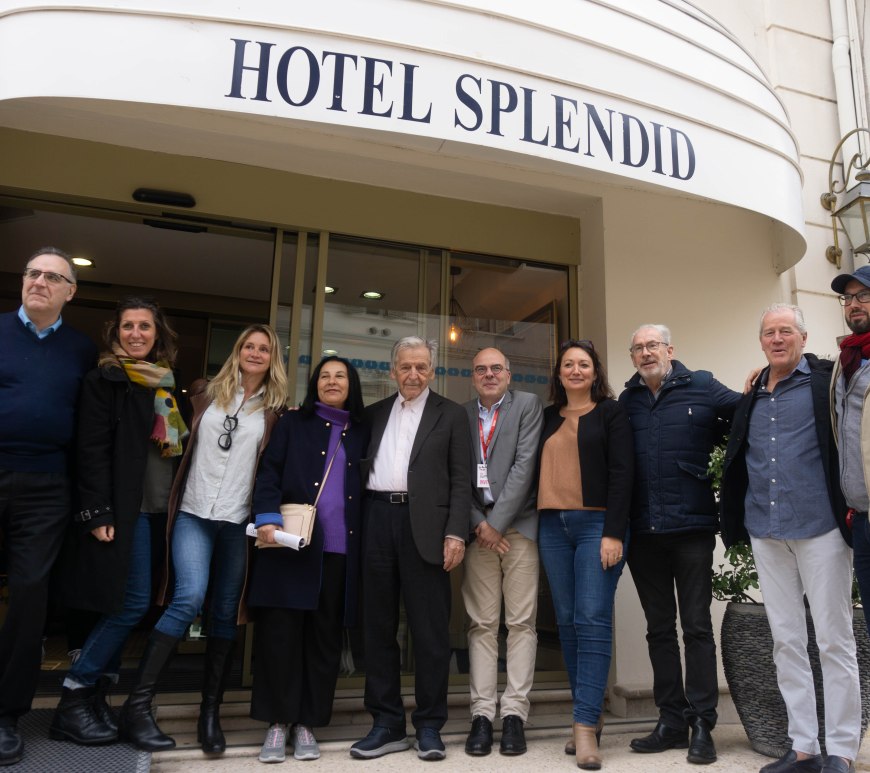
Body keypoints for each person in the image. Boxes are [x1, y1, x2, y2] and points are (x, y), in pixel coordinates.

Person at [720, 304, 860, 773]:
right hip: (766, 529)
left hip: (820, 527)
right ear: (761, 342)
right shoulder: (753, 393)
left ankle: (840, 749)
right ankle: (803, 745)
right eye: (769, 333)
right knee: (786, 641)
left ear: (803, 336)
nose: (777, 339)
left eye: (785, 331)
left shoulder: (825, 381)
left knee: (834, 640)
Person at [49, 296, 188, 751]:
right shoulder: (103, 380)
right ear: (115, 334)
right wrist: (97, 512)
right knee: (127, 606)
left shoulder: (164, 384)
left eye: (145, 327)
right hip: (121, 514)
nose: (136, 334)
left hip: (156, 510)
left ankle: (95, 701)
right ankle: (74, 694)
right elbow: (88, 452)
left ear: (157, 334)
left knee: (129, 604)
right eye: (128, 327)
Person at [141, 324, 286, 754]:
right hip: (193, 512)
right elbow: (169, 442)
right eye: (249, 346)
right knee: (189, 598)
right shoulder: (201, 393)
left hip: (237, 522)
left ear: (272, 357)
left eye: (264, 349)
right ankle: (139, 703)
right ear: (237, 351)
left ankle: (210, 714)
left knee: (225, 610)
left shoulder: (277, 411)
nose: (255, 353)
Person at [618, 324, 739, 765]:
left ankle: (702, 722)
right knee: (659, 629)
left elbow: (745, 416)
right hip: (644, 532)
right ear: (632, 356)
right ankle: (670, 719)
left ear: (670, 349)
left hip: (692, 530)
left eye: (653, 345)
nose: (646, 352)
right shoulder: (627, 401)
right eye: (638, 348)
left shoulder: (703, 386)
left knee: (696, 627)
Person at [350, 337, 472, 762]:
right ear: (393, 371)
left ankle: (429, 726)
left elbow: (462, 481)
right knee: (378, 628)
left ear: (432, 371)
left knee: (430, 631)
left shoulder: (452, 415)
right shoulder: (372, 414)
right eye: (406, 367)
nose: (414, 375)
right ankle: (385, 723)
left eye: (421, 367)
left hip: (428, 530)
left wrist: (456, 533)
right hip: (377, 521)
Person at [0, 248, 96, 766]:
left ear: (69, 292)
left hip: (47, 486)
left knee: (31, 595)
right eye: (32, 272)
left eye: (52, 277)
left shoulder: (80, 350)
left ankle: (6, 715)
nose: (39, 281)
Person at [248, 356, 369, 764]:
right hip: (291, 545)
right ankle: (277, 723)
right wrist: (266, 515)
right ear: (314, 384)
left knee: (323, 640)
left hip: (340, 553)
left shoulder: (363, 431)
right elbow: (268, 473)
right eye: (324, 376)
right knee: (280, 636)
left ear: (351, 385)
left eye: (340, 376)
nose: (332, 382)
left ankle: (307, 724)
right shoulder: (292, 423)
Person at [536, 339, 633, 771]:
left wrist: (614, 532)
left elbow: (623, 473)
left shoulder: (611, 412)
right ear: (558, 373)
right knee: (569, 624)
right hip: (552, 526)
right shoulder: (545, 418)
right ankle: (588, 718)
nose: (576, 370)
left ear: (595, 373)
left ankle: (583, 729)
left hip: (597, 525)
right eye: (568, 365)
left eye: (584, 365)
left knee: (592, 619)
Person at [461, 348, 543, 757]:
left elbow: (525, 467)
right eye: (481, 369)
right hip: (479, 532)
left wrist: (496, 525)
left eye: (496, 368)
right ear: (472, 377)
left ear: (509, 375)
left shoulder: (527, 405)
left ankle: (513, 715)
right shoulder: (461, 415)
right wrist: (480, 524)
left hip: (519, 530)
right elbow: (457, 475)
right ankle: (481, 715)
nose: (489, 374)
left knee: (522, 623)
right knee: (481, 623)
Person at [830, 264, 870, 646]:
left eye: (864, 295)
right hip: (860, 519)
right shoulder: (847, 360)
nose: (854, 304)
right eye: (849, 297)